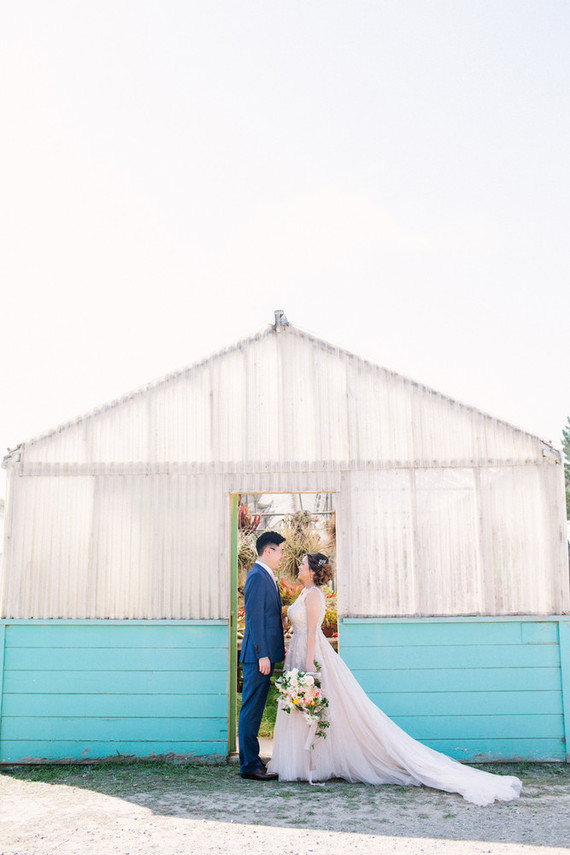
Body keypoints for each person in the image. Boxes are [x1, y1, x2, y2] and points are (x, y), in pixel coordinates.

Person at [268, 552, 522, 806]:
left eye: (302, 564)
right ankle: (303, 762)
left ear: (312, 570)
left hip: (311, 654)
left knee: (316, 706)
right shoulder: (304, 593)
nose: (298, 567)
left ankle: (313, 762)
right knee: (301, 708)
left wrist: (310, 665)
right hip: (298, 652)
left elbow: (312, 632)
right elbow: (299, 626)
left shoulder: (314, 595)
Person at [239, 530, 286, 780]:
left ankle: (253, 760)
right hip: (257, 657)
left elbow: (268, 618)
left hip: (263, 654)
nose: (282, 556)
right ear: (268, 551)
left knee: (254, 708)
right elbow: (254, 620)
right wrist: (262, 655)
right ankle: (249, 765)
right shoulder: (257, 577)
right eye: (279, 551)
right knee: (251, 709)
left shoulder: (266, 576)